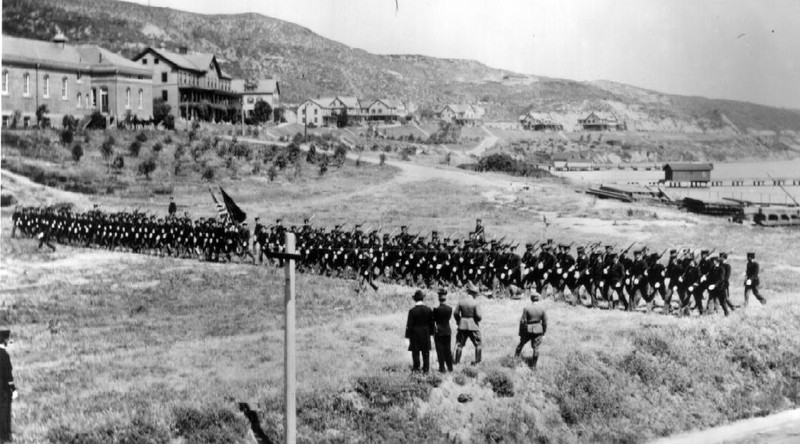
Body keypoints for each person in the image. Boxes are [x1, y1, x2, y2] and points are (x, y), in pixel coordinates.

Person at [515, 291, 548, 369]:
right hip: (538, 330)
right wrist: (543, 332)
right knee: (536, 348)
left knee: (521, 344)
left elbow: (523, 321)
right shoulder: (542, 309)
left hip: (528, 330)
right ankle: (533, 366)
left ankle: (515, 359)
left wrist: (521, 333)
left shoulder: (527, 309)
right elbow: (545, 322)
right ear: (538, 299)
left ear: (531, 299)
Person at [454, 282, 483, 365]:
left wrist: (459, 321)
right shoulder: (475, 303)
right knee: (478, 344)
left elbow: (456, 313)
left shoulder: (461, 302)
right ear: (474, 294)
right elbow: (479, 316)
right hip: (473, 326)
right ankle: (477, 362)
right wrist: (476, 320)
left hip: (462, 325)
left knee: (460, 344)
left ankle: (457, 362)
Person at [405, 290, 434, 373]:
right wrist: (431, 335)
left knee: (415, 352)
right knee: (426, 352)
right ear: (422, 299)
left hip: (415, 334)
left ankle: (416, 368)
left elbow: (409, 325)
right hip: (426, 334)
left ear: (415, 299)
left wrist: (407, 337)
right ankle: (426, 369)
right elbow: (431, 324)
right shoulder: (428, 310)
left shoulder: (412, 311)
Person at [0, 329, 17, 443]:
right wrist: (13, 389)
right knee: (4, 411)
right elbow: (7, 375)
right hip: (3, 389)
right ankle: (5, 436)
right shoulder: (4, 355)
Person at [432, 288, 454, 373]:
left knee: (440, 351)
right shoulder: (449, 309)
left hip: (439, 332)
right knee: (448, 350)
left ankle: (442, 368)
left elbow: (434, 320)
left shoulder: (436, 310)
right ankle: (450, 367)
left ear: (438, 298)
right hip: (447, 331)